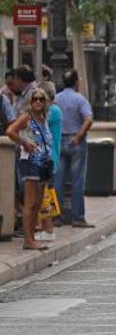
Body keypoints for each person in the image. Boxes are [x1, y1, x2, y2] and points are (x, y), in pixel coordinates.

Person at [6, 87, 54, 250]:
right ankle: (28, 240)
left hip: (43, 164)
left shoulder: (43, 117)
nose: (38, 102)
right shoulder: (26, 117)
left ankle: (32, 237)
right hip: (30, 163)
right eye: (35, 99)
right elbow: (10, 131)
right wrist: (24, 143)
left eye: (41, 99)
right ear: (30, 102)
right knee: (30, 202)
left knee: (38, 203)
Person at [54, 70, 94, 228]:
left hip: (59, 141)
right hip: (76, 142)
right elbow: (89, 119)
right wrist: (78, 136)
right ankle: (77, 217)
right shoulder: (80, 99)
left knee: (58, 181)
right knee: (77, 181)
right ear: (76, 82)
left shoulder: (56, 99)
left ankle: (56, 216)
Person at [34, 82, 62, 240]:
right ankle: (44, 228)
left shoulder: (54, 111)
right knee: (42, 193)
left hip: (49, 157)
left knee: (45, 194)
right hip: (46, 157)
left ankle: (48, 229)